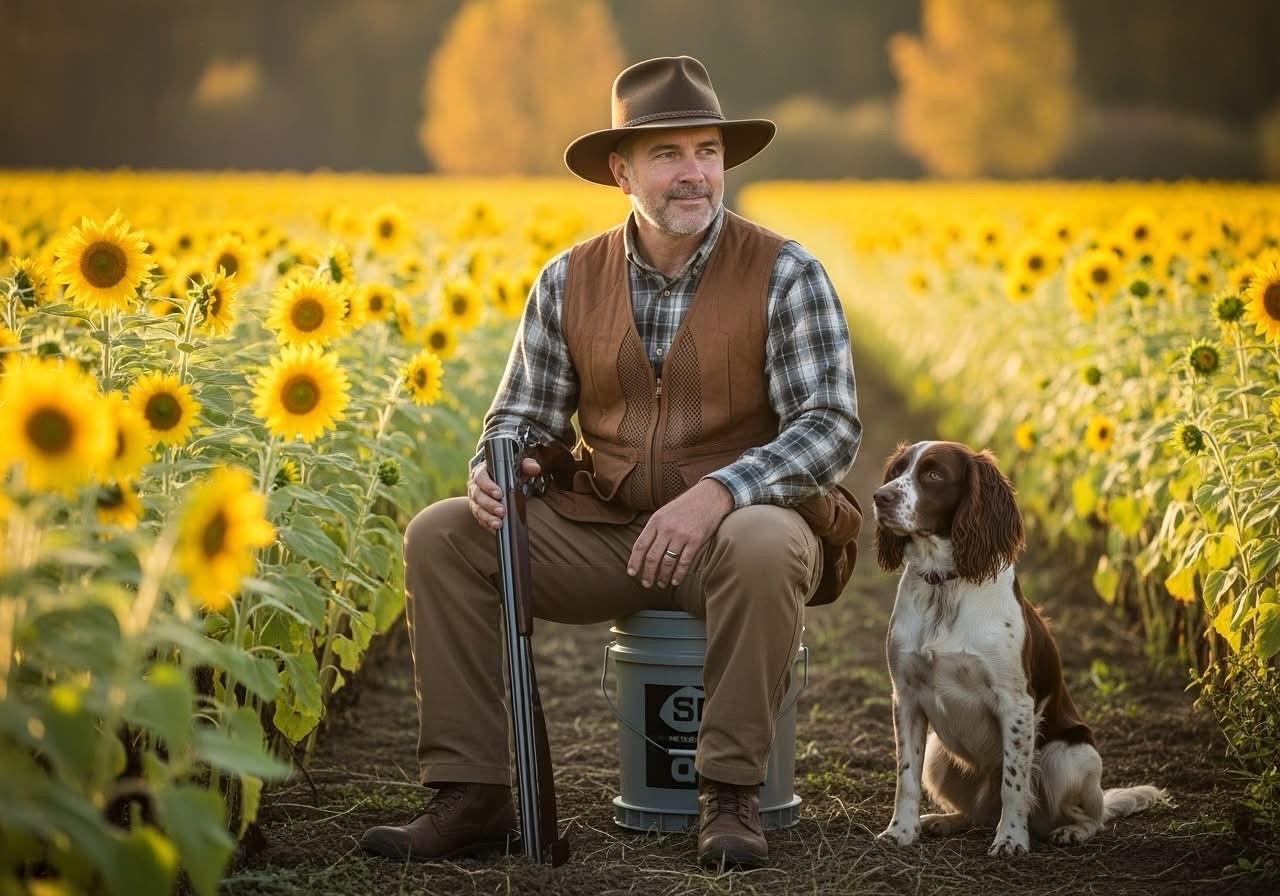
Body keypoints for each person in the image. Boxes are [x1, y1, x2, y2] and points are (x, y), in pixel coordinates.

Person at [360, 55, 861, 869]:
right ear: (621, 172)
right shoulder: (566, 280)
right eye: (668, 155)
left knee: (765, 542)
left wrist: (721, 495)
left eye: (707, 151)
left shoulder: (787, 273)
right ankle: (473, 791)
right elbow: (517, 415)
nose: (694, 173)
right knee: (443, 534)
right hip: (611, 532)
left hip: (737, 541)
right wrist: (500, 466)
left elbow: (831, 427)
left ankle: (730, 792)